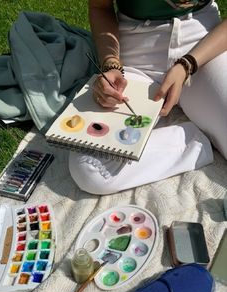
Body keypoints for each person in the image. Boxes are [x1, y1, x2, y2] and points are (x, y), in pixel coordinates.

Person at [69, 1, 227, 195]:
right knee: (89, 166)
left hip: (204, 47)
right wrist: (111, 64)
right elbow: (100, 7)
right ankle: (200, 138)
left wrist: (187, 64)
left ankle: (214, 126)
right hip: (137, 51)